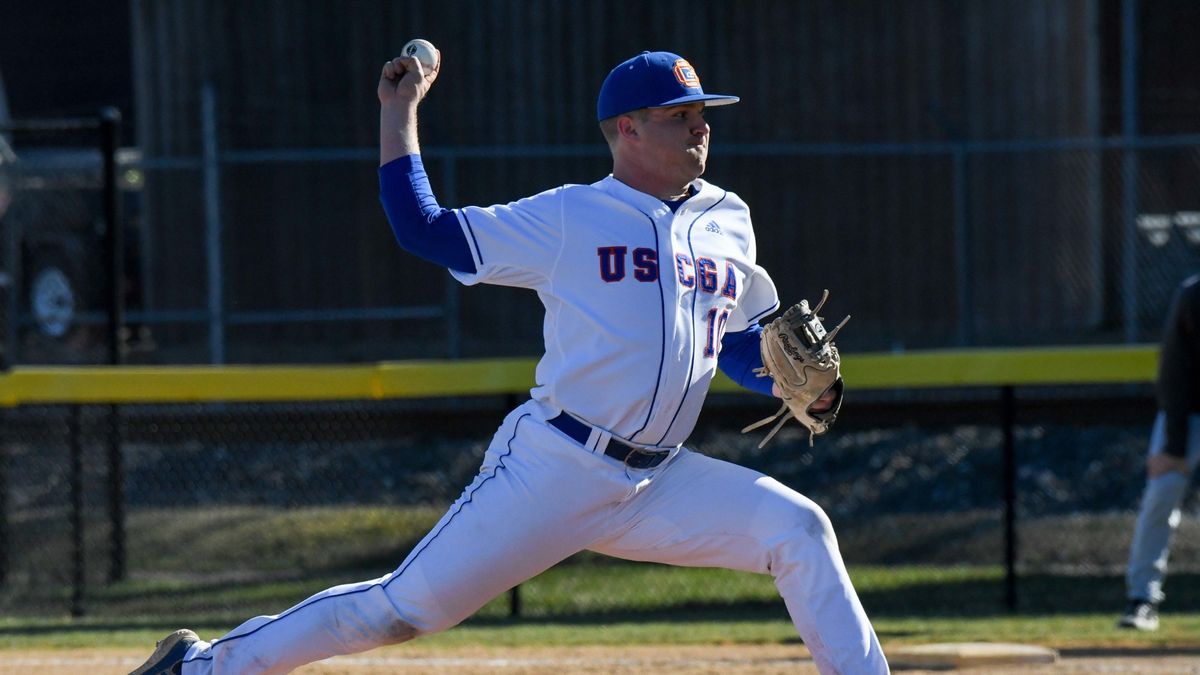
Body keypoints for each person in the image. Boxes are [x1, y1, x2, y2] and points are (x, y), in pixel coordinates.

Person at [130, 49, 889, 675]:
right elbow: (424, 230)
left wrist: (807, 395)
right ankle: (200, 667)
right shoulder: (569, 215)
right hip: (556, 465)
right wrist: (401, 115)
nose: (699, 130)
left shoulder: (731, 220)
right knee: (398, 609)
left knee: (800, 528)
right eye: (678, 117)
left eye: (702, 117)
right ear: (626, 129)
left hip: (659, 477)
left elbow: (738, 347)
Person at [1118, 273, 1200, 631]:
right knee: (1163, 488)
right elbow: (1173, 370)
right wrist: (1174, 445)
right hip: (1189, 411)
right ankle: (1142, 598)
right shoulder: (1194, 295)